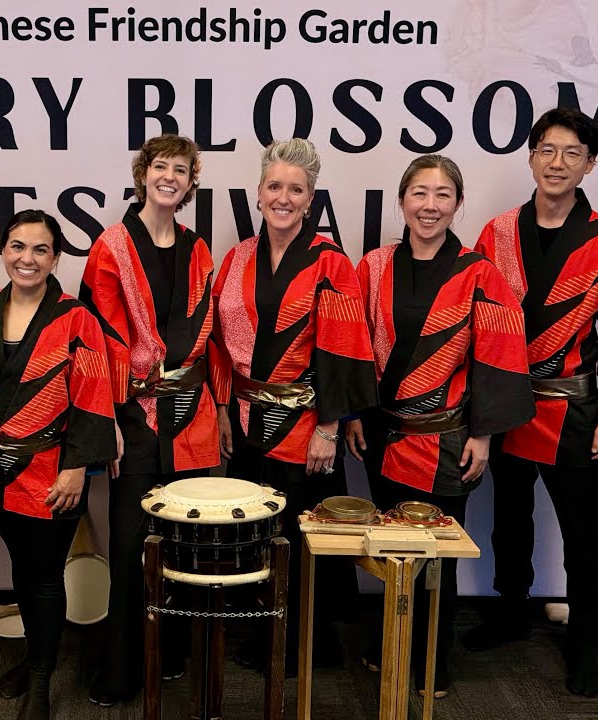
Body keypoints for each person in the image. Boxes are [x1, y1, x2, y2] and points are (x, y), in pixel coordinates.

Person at [465, 108, 598, 696]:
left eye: (571, 153)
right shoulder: (497, 232)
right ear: (530, 157)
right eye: (547, 151)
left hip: (575, 412)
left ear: (590, 163)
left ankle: (584, 644)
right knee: (508, 520)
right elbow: (479, 325)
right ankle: (510, 613)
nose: (557, 163)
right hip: (506, 406)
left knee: (582, 532)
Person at [347, 154, 534, 697]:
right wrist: (356, 412)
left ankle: (433, 662)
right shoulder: (374, 266)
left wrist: (482, 434)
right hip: (383, 432)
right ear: (402, 200)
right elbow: (354, 344)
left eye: (443, 195)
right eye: (420, 193)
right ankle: (390, 646)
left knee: (436, 559)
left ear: (457, 204)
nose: (430, 206)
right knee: (387, 548)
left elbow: (498, 356)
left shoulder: (480, 273)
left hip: (447, 437)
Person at [210, 138, 377, 673]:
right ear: (258, 193)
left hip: (304, 425)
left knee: (299, 535)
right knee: (254, 530)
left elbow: (344, 346)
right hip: (246, 418)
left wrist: (330, 426)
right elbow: (214, 339)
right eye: (275, 186)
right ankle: (260, 630)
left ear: (310, 200)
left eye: (296, 190)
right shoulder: (236, 258)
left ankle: (305, 642)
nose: (284, 197)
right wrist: (219, 408)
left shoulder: (331, 262)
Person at [0, 210, 117, 720]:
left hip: (54, 472)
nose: (27, 258)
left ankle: (43, 683)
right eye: (17, 246)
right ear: (2, 250)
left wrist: (77, 468)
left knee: (46, 575)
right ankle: (34, 659)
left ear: (56, 257)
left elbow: (94, 397)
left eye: (40, 249)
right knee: (22, 572)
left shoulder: (76, 318)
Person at [79, 134, 217, 705]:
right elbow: (96, 341)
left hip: (191, 416)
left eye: (181, 169)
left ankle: (175, 654)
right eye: (160, 166)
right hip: (130, 417)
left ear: (190, 183)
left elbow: (207, 338)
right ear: (143, 174)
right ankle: (123, 670)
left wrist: (218, 407)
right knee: (134, 544)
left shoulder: (198, 247)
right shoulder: (109, 248)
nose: (170, 176)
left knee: (186, 543)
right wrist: (106, 421)